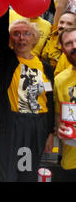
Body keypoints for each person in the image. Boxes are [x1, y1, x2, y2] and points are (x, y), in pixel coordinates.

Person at [0, 10, 55, 181]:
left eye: (26, 33)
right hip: (12, 125)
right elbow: (1, 33)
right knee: (7, 174)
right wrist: (3, 2)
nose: (21, 38)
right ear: (10, 40)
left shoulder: (45, 67)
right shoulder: (8, 61)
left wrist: (50, 132)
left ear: (34, 38)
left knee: (27, 171)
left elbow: (50, 101)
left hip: (36, 126)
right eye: (16, 34)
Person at [55, 27, 76, 181]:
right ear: (62, 49)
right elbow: (58, 114)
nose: (74, 46)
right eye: (69, 43)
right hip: (71, 161)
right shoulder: (60, 80)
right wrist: (59, 126)